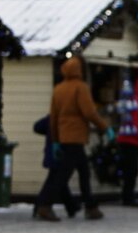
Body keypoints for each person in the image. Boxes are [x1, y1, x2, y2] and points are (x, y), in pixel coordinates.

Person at [36, 56, 112, 222]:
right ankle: (46, 205)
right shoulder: (81, 88)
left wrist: (55, 140)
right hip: (76, 137)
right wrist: (105, 128)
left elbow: (54, 118)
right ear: (79, 71)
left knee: (82, 172)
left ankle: (90, 206)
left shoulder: (58, 89)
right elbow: (89, 112)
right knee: (64, 175)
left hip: (63, 137)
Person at [32, 115, 78, 219]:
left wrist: (48, 133)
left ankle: (71, 206)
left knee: (57, 180)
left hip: (51, 152)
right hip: (60, 153)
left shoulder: (52, 117)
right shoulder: (65, 119)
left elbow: (37, 127)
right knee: (55, 181)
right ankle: (41, 206)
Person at [116, 76, 138, 206]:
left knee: (128, 169)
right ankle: (128, 197)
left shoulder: (132, 100)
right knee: (132, 170)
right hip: (132, 141)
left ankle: (127, 195)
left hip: (126, 140)